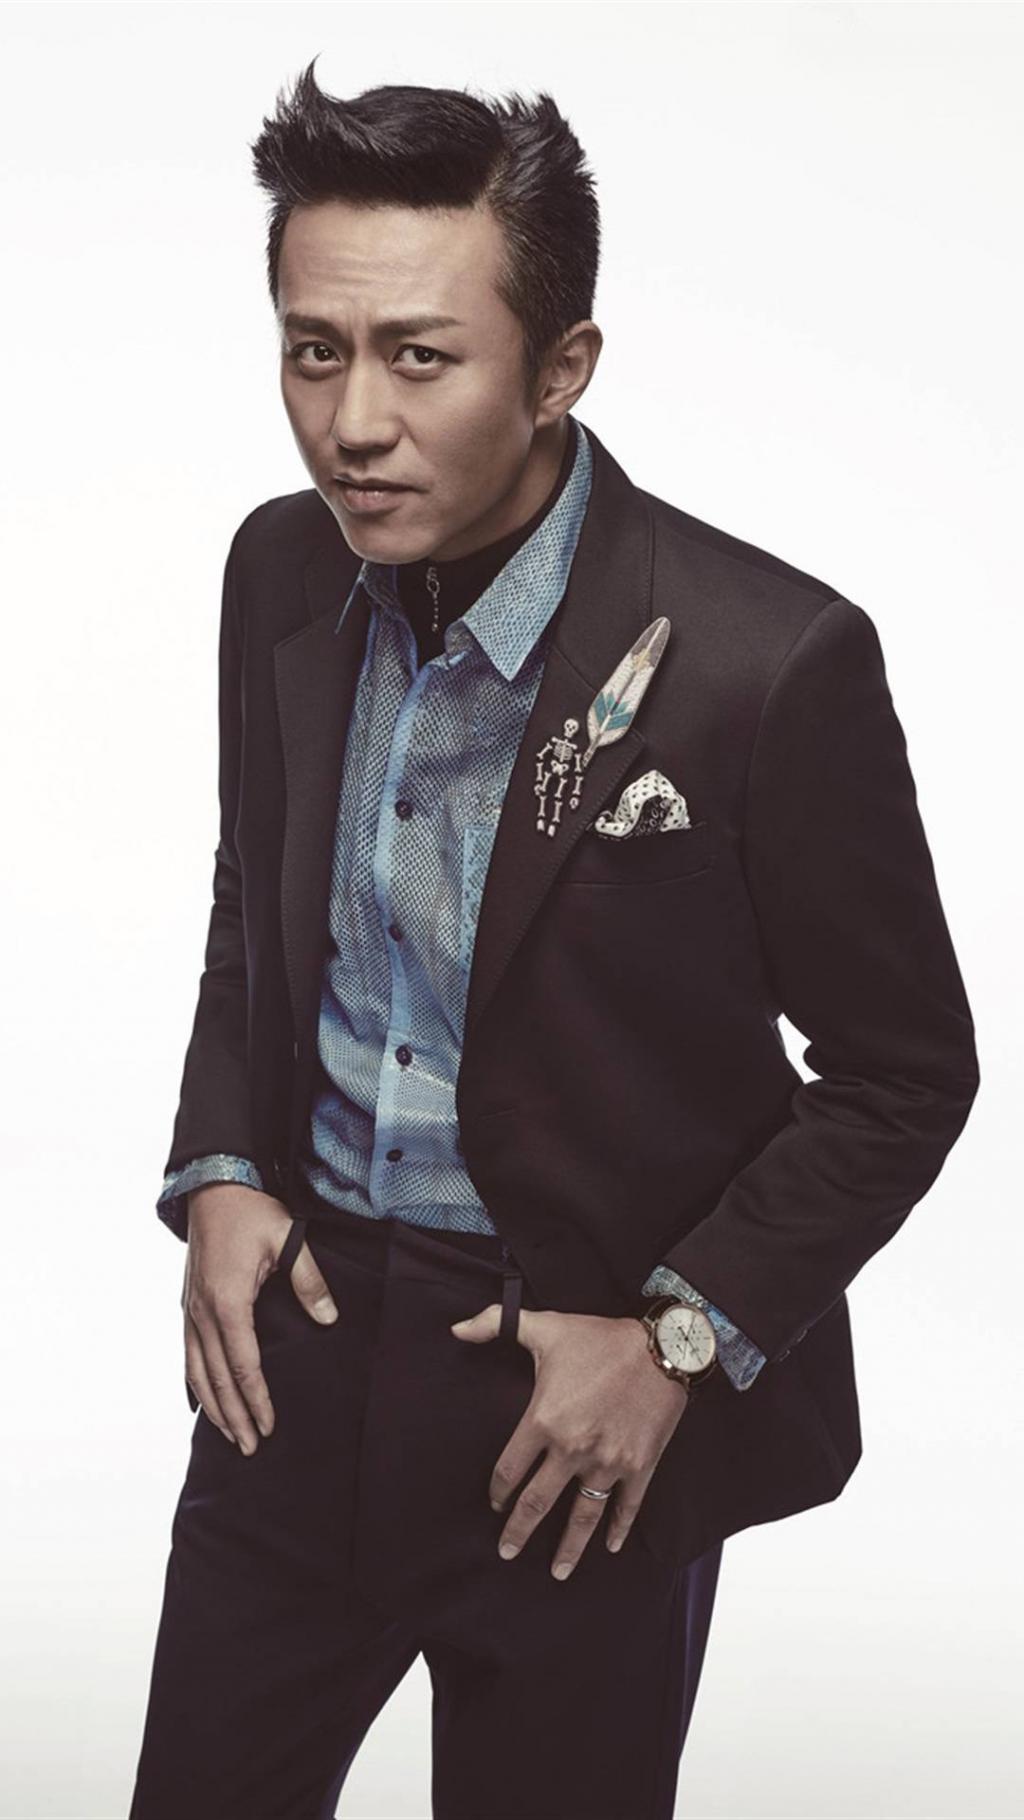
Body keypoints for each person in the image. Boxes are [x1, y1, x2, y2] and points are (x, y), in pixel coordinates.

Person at [129, 64, 979, 1820]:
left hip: (572, 1414)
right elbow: (253, 902)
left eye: (420, 358)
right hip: (294, 1368)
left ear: (561, 367)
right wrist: (219, 1169)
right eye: (313, 351)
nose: (351, 422)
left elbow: (904, 1075)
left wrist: (676, 1346)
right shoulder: (279, 571)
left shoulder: (765, 660)